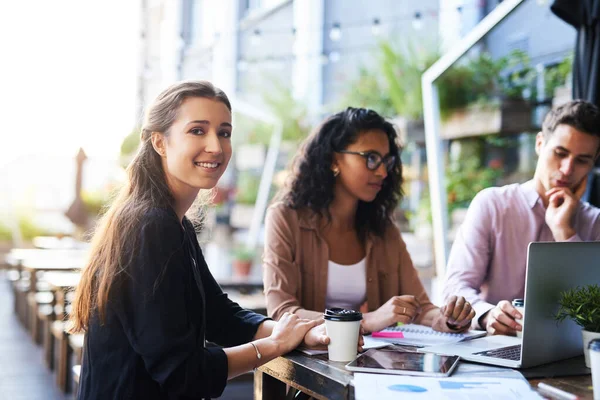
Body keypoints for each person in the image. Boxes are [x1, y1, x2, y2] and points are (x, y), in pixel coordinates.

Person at [69, 81, 342, 400]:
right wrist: (274, 345)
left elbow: (218, 314)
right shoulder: (150, 226)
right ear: (160, 142)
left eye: (224, 132)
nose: (216, 145)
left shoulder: (174, 223)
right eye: (197, 131)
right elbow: (184, 375)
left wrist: (298, 334)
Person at [262, 107, 475, 334]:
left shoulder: (382, 229)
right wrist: (365, 321)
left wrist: (451, 318)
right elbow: (282, 311)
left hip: (363, 362)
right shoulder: (286, 219)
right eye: (371, 158)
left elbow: (421, 309)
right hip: (305, 363)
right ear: (334, 160)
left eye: (386, 161)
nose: (383, 172)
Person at [443, 100, 600, 336]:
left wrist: (564, 232)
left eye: (582, 160)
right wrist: (487, 315)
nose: (567, 169)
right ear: (539, 143)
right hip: (493, 348)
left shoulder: (595, 223)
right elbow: (456, 288)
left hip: (566, 353)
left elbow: (593, 311)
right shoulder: (492, 205)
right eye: (560, 153)